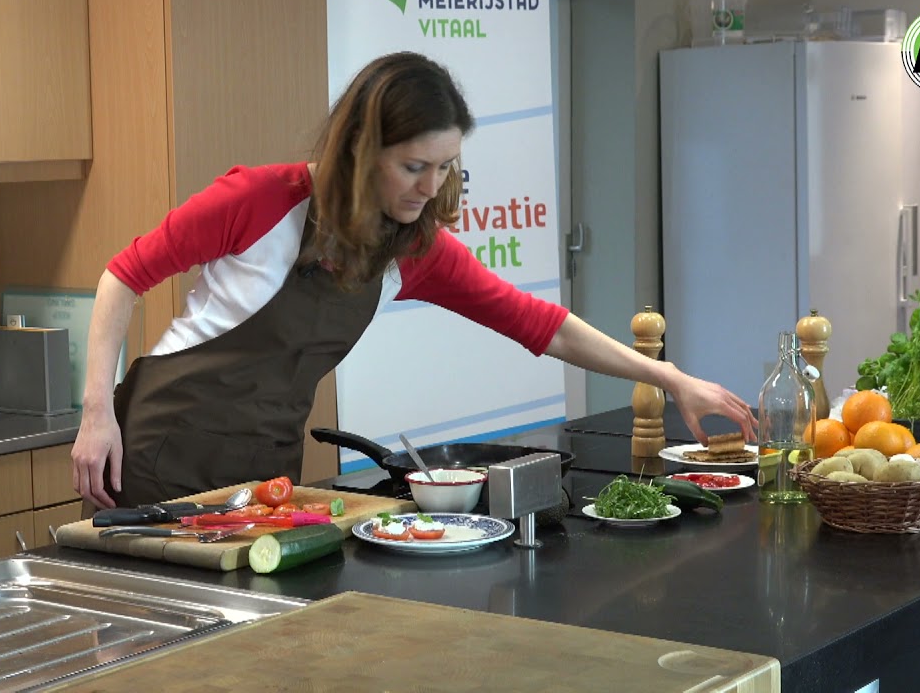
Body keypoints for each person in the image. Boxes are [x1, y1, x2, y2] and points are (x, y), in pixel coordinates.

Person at [72, 51, 758, 510]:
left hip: (265, 468)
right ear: (362, 149)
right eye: (413, 167)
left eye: (446, 167)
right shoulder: (259, 199)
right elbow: (122, 276)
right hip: (161, 453)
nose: (431, 187)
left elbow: (539, 324)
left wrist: (669, 378)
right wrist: (97, 414)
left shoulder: (413, 249)